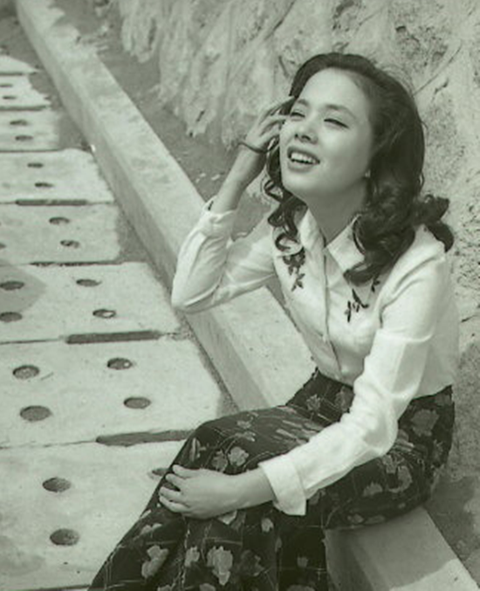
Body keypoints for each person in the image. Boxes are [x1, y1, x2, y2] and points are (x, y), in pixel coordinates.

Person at [89, 52, 459, 591]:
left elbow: (372, 426)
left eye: (334, 121)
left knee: (240, 498)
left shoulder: (416, 264)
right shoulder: (292, 228)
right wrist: (241, 170)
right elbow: (192, 292)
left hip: (401, 439)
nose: (304, 131)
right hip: (319, 400)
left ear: (374, 158)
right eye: (298, 113)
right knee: (213, 440)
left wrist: (238, 491)